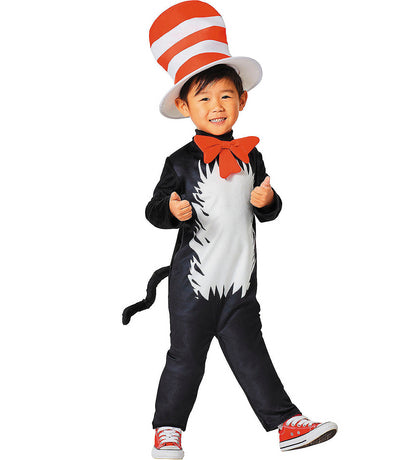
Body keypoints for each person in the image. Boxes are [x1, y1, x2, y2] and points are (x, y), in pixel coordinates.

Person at [123, 2, 338, 458]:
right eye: (204, 99)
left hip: (240, 280)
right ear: (185, 107)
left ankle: (286, 423)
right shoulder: (179, 162)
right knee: (186, 357)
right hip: (193, 283)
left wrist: (268, 201)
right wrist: (172, 210)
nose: (217, 107)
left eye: (225, 96)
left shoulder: (251, 155)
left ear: (242, 100)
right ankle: (168, 428)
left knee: (251, 353)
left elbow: (267, 210)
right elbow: (153, 210)